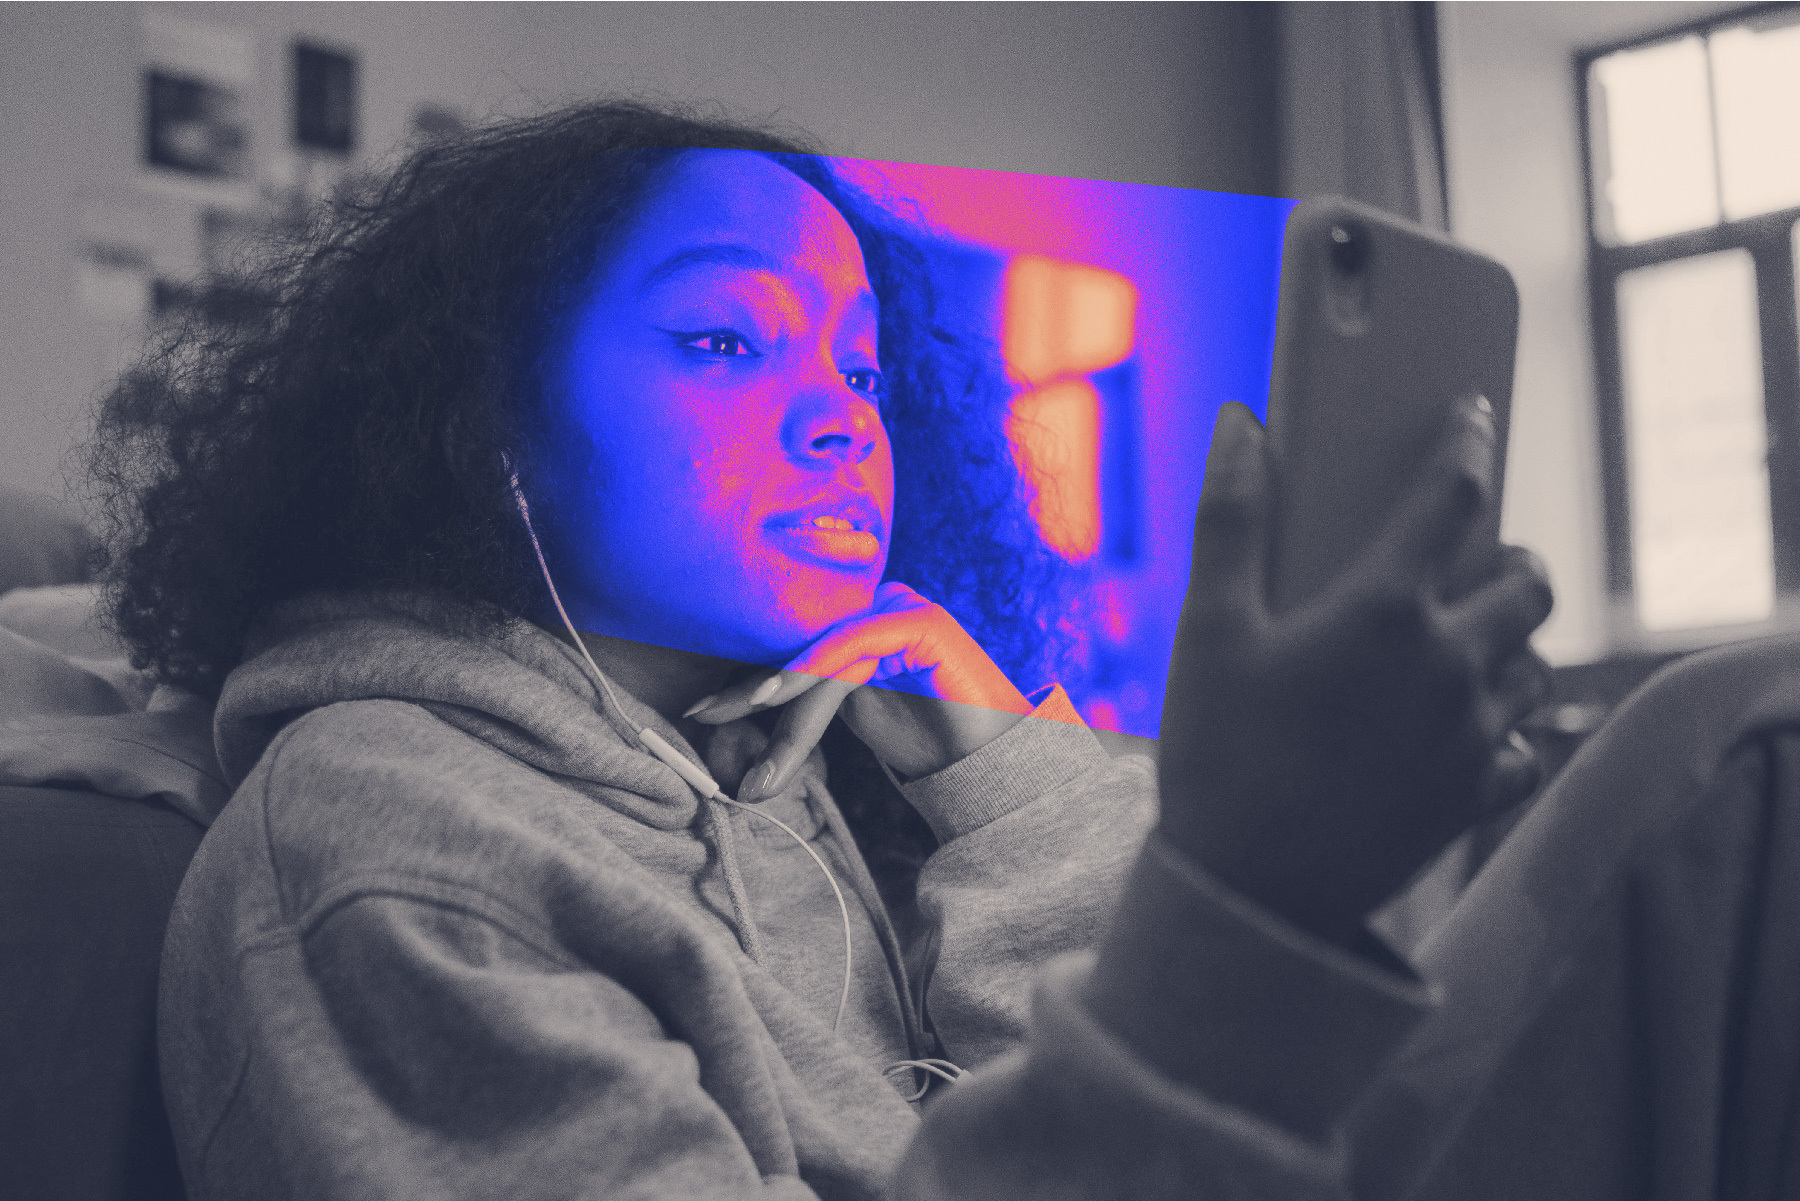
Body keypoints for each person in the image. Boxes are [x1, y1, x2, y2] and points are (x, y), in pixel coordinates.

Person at [92, 100, 1563, 1199]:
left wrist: (1004, 782)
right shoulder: (395, 828)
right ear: (487, 433)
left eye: (857, 364)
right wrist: (1254, 895)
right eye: (732, 340)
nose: (835, 416)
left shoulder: (810, 773)